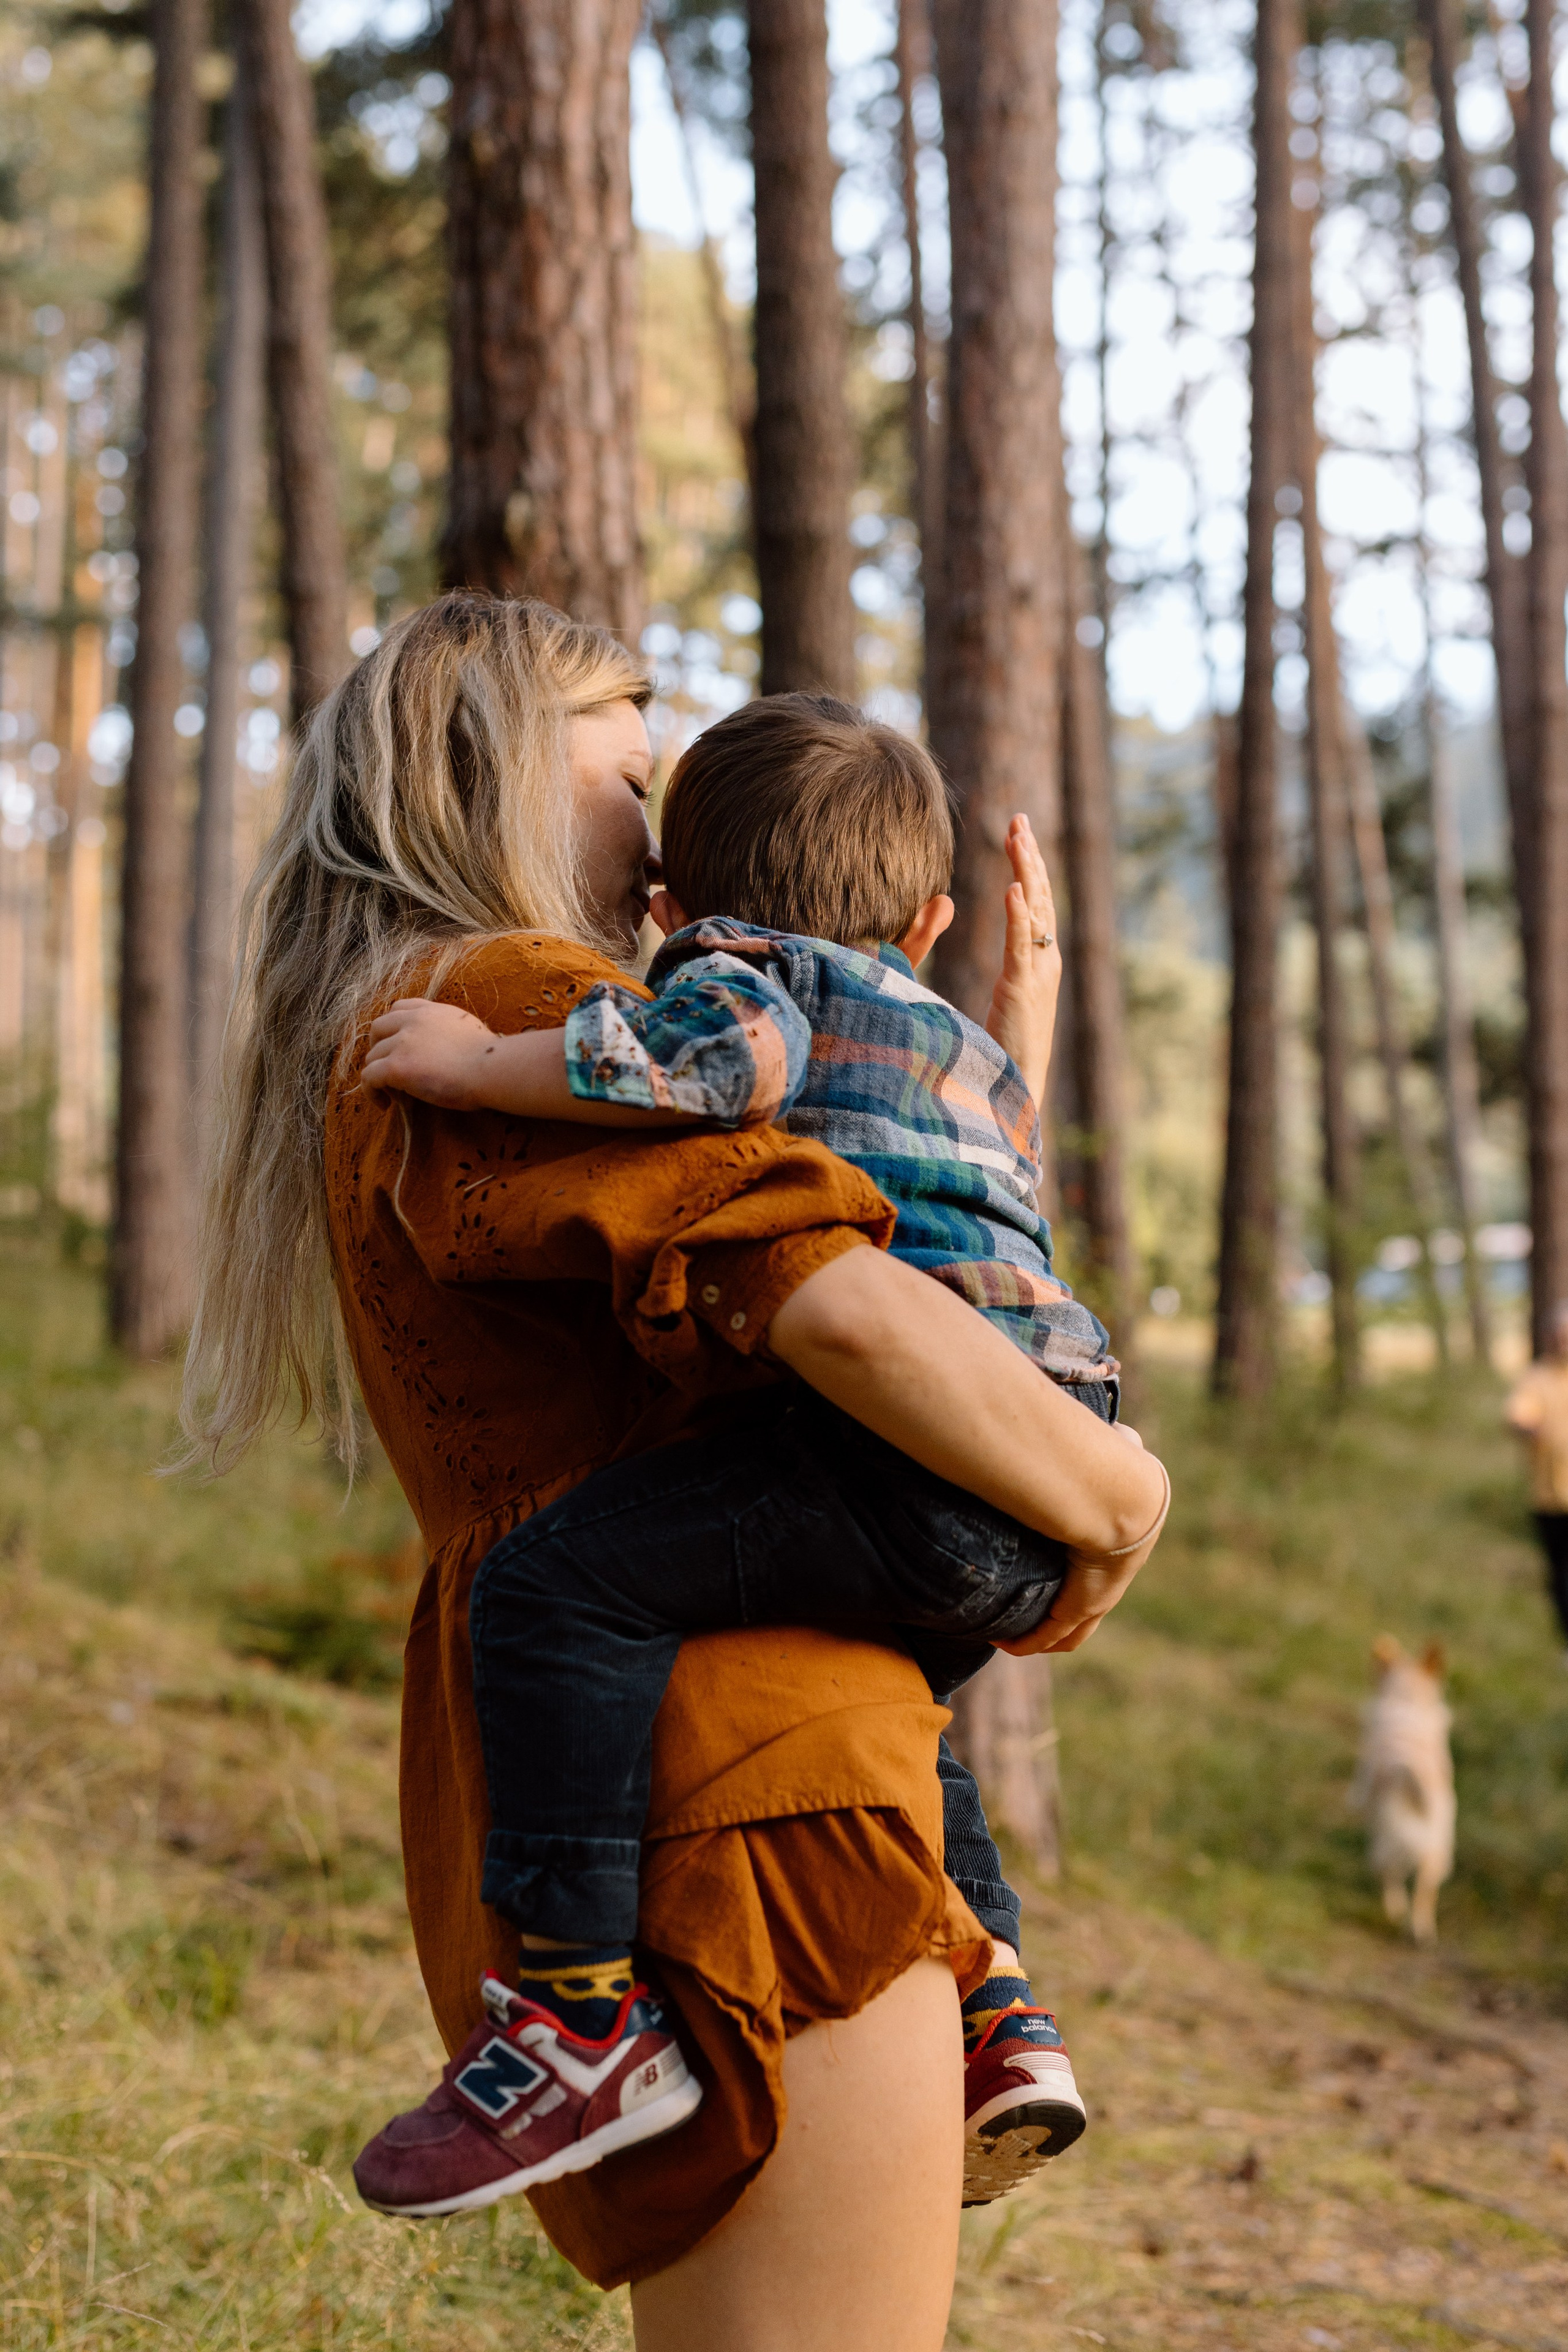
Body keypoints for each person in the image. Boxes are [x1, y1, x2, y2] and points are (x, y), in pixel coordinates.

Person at [181, 594, 1164, 2352]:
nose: (657, 836)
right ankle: (964, 1993)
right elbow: (833, 1305)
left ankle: (970, 1985)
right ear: (486, 768)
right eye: (628, 775)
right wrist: (1112, 1495)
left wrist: (972, 1060)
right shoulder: (518, 1008)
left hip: (630, 1766)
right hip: (766, 1793)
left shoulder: (406, 1032)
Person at [1505, 1300, 1568, 1651]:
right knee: (1561, 1574)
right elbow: (1519, 1415)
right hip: (1550, 1498)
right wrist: (1528, 1428)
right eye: (1561, 1336)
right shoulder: (1536, 1379)